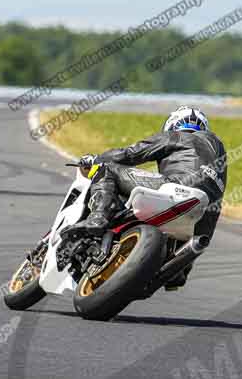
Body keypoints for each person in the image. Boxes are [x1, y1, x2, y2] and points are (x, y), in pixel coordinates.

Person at [62, 106, 227, 289]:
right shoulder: (219, 149)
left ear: (173, 124)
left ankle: (98, 217)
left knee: (107, 169)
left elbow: (130, 154)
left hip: (178, 188)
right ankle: (180, 269)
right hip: (205, 217)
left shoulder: (177, 135)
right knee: (188, 243)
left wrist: (96, 159)